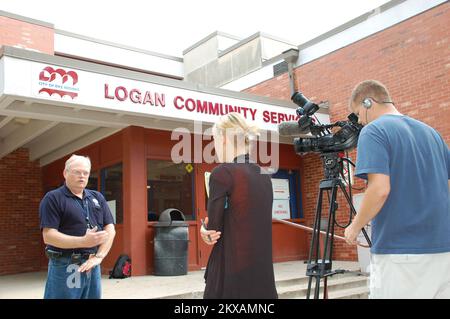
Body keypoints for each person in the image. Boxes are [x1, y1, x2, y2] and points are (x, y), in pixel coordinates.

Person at [344, 80, 450, 299]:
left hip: (398, 255)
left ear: (367, 102)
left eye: (357, 114)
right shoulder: (432, 133)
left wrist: (355, 227)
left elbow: (380, 189)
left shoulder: (373, 131)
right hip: (443, 251)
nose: (359, 122)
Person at [200, 112, 278, 299]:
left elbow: (214, 230)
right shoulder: (265, 175)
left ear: (224, 139)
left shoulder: (222, 173)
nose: (215, 146)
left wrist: (204, 230)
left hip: (231, 276)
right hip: (262, 278)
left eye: (214, 139)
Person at [39, 154, 116, 299]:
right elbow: (48, 236)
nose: (82, 176)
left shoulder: (97, 197)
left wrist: (99, 256)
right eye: (77, 172)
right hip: (66, 264)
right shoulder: (53, 198)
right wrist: (83, 241)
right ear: (65, 173)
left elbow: (110, 229)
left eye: (85, 173)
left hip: (92, 264)